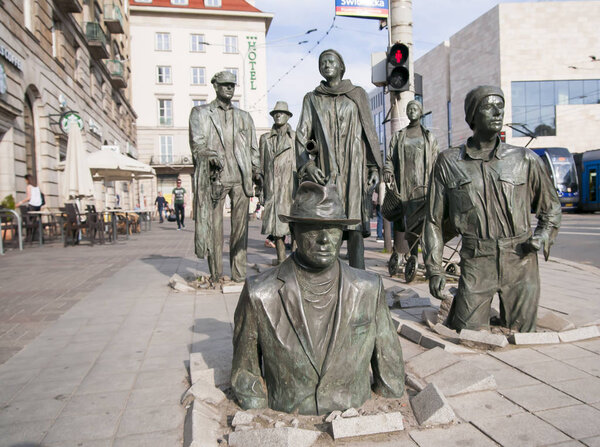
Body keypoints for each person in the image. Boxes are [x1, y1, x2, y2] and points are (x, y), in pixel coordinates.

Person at [232, 181, 404, 415]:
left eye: (333, 228)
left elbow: (390, 371)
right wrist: (256, 409)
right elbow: (245, 374)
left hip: (353, 406)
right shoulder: (260, 293)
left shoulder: (368, 288)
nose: (325, 239)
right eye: (313, 227)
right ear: (293, 231)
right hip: (288, 410)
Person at [423, 85, 561, 333]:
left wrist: (542, 237)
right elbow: (433, 221)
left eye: (501, 106)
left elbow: (550, 208)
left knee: (522, 334)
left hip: (520, 261)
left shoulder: (525, 159)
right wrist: (434, 269)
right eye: (488, 106)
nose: (498, 112)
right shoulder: (449, 162)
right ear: (472, 116)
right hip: (477, 260)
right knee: (468, 333)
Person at [296, 49, 382, 269]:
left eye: (331, 61)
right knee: (327, 224)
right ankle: (327, 278)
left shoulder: (357, 94)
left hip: (354, 167)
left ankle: (359, 277)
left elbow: (368, 133)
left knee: (354, 225)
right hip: (325, 169)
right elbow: (301, 136)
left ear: (341, 66)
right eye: (322, 61)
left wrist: (373, 167)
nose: (327, 64)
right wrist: (307, 164)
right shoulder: (312, 98)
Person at [189, 70, 261, 282]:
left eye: (232, 85)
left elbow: (253, 149)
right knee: (215, 229)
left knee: (241, 231)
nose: (229, 88)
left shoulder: (244, 117)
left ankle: (239, 274)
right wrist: (209, 156)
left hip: (240, 179)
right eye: (225, 84)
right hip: (216, 179)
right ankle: (216, 273)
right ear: (215, 86)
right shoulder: (200, 113)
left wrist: (257, 170)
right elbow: (197, 145)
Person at [383, 100, 439, 257]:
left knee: (425, 223)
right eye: (409, 108)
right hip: (404, 185)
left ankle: (429, 258)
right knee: (407, 223)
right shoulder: (399, 136)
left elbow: (437, 161)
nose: (412, 111)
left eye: (415, 108)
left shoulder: (429, 137)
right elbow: (390, 158)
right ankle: (412, 256)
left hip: (424, 186)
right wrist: (388, 169)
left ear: (421, 112)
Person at [259, 100, 296, 264]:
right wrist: (260, 189)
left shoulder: (295, 138)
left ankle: (295, 261)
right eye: (276, 113)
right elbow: (261, 167)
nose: (278, 115)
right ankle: (281, 261)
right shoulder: (265, 139)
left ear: (288, 116)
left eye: (282, 113)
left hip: (291, 188)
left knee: (295, 226)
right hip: (273, 188)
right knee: (277, 228)